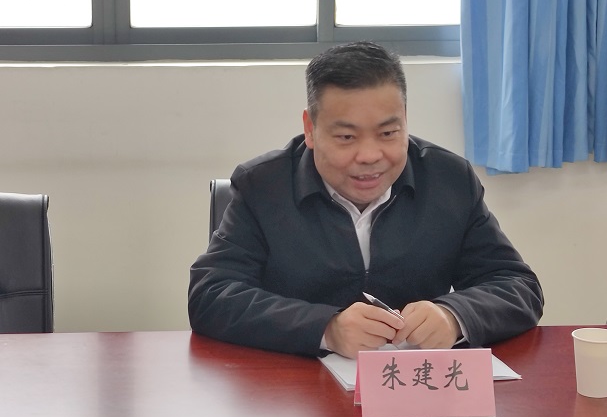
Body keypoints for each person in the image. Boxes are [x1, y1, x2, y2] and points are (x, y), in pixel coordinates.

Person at [189, 41, 544, 359]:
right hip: (295, 389)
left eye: (388, 133)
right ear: (310, 129)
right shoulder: (263, 186)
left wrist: (454, 315)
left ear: (405, 120)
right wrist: (325, 328)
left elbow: (517, 286)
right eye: (346, 137)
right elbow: (211, 295)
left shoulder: (449, 180)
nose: (370, 156)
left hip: (414, 389)